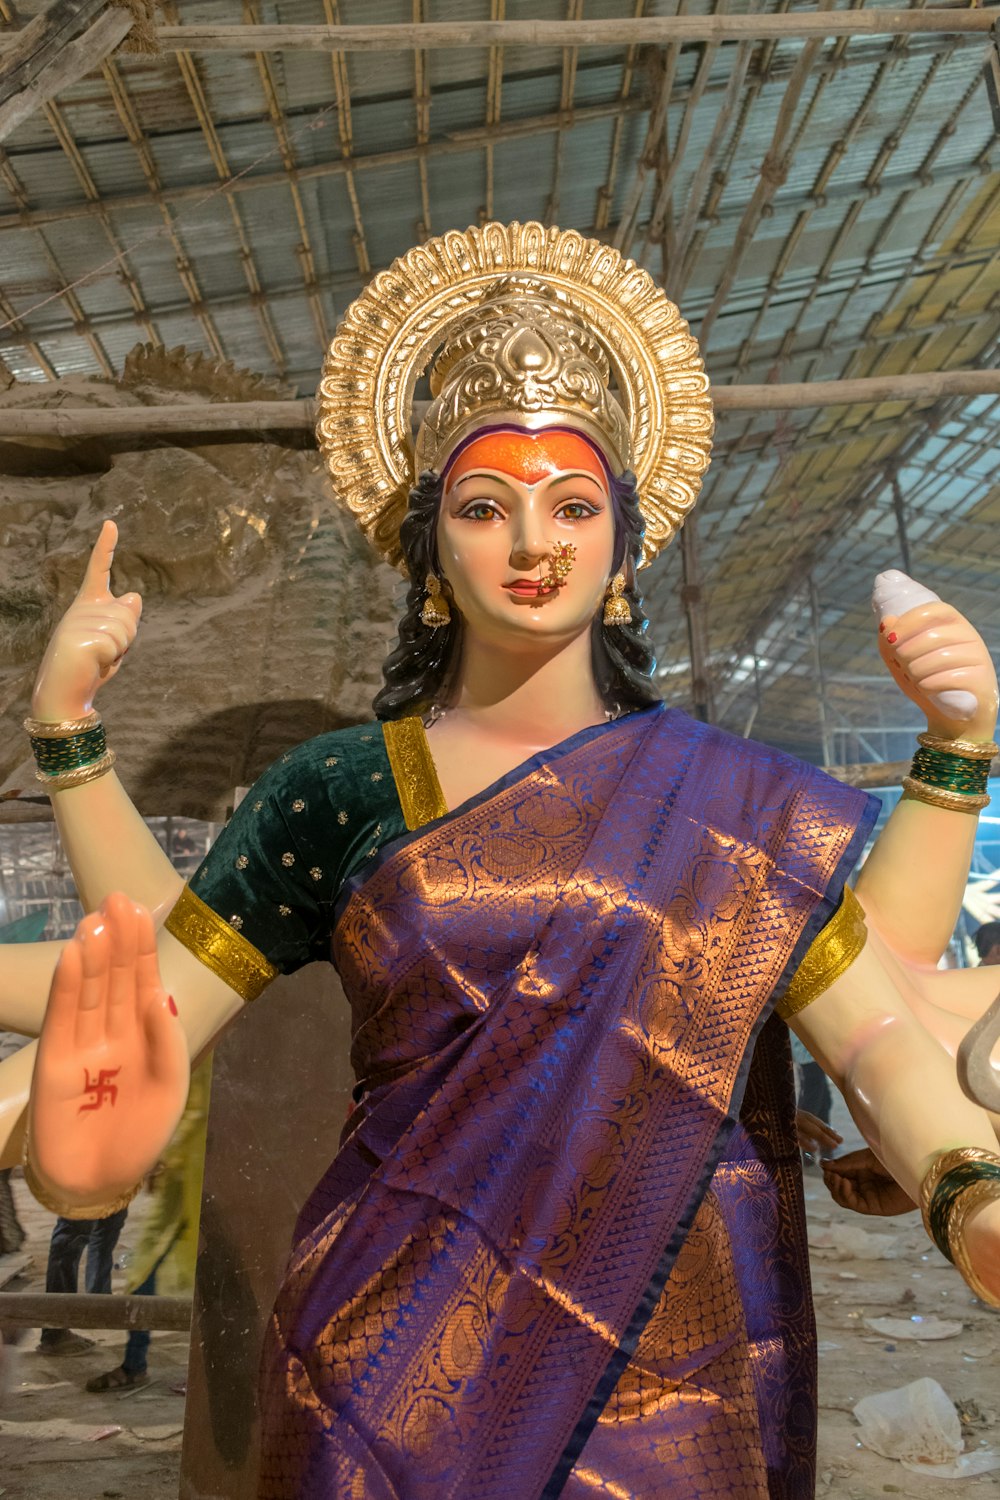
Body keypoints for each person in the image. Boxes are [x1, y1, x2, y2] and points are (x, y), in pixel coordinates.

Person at [2, 222, 1000, 1499]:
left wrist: (963, 1195)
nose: (535, 543)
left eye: (573, 506)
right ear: (431, 549)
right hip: (373, 1363)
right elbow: (158, 1008)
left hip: (676, 1370)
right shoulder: (339, 787)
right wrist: (83, 1151)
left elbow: (872, 1037)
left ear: (626, 548)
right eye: (484, 507)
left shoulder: (734, 804)